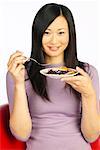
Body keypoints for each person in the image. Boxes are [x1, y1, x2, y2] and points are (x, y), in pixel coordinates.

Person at [6, 3, 100, 150]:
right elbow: (22, 134)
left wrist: (88, 94)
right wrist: (18, 84)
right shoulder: (20, 72)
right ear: (38, 34)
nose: (54, 41)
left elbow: (91, 136)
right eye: (47, 32)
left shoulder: (87, 73)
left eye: (61, 33)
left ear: (70, 34)